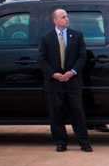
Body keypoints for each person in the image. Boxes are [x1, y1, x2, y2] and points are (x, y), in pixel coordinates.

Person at [38, 9, 93, 152]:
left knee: (77, 112)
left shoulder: (77, 36)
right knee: (56, 113)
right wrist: (54, 74)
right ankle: (61, 142)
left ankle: (84, 142)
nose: (67, 19)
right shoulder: (46, 38)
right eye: (63, 17)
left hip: (72, 81)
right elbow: (42, 60)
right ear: (55, 20)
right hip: (54, 82)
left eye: (67, 16)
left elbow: (82, 57)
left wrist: (72, 72)